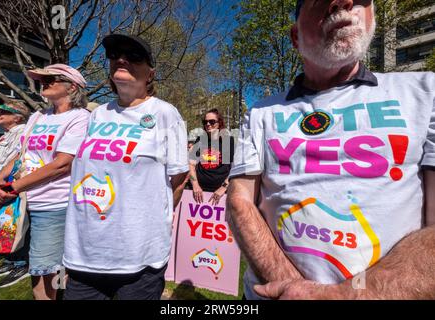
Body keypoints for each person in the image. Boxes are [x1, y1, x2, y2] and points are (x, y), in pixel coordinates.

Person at [226, 0, 435, 300]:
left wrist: (346, 295)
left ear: (372, 14)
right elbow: (240, 201)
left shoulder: (426, 92)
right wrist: (293, 289)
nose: (344, 1)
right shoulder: (261, 111)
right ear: (295, 37)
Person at [62, 34, 189, 300]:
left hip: (138, 257)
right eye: (115, 55)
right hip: (84, 253)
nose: (122, 59)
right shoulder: (97, 115)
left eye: (134, 56)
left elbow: (178, 177)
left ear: (150, 73)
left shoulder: (165, 114)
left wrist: (152, 219)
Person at [0, 64, 90, 299]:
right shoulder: (38, 115)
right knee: (37, 268)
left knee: (50, 273)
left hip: (54, 205)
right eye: (41, 79)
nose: (42, 81)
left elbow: (62, 164)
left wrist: (12, 187)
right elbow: (21, 154)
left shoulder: (81, 118)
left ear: (72, 86)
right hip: (23, 203)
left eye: (50, 79)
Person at [0, 101, 30, 287]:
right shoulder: (5, 135)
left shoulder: (21, 131)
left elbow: (13, 158)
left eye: (4, 112)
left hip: (5, 180)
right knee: (2, 222)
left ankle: (19, 262)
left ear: (17, 117)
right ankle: (9, 260)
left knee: (12, 220)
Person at [189, 109, 235, 206]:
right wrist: (195, 185)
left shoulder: (228, 141)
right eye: (205, 122)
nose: (208, 124)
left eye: (212, 122)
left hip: (221, 195)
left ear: (219, 123)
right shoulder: (200, 140)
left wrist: (223, 188)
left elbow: (234, 169)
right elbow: (191, 165)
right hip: (198, 193)